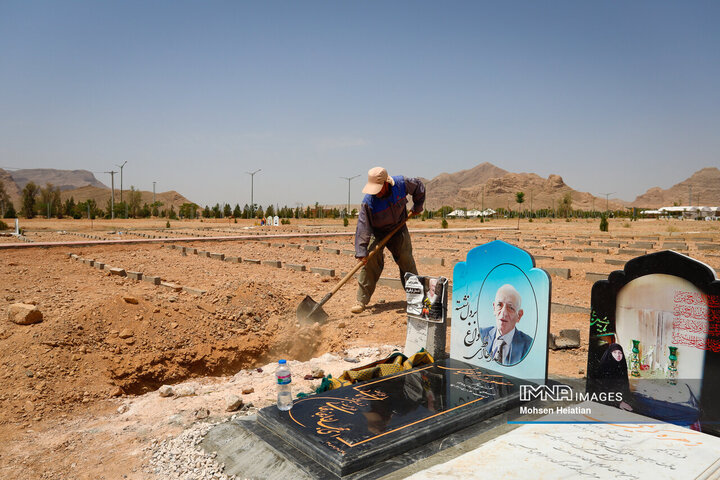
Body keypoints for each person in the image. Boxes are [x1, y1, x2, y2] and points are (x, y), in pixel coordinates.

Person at [351, 167, 425, 314]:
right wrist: (361, 250)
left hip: (398, 228)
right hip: (376, 232)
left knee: (406, 260)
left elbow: (419, 187)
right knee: (370, 262)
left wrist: (417, 206)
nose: (376, 192)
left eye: (378, 189)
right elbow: (362, 226)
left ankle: (417, 299)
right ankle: (361, 300)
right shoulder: (368, 202)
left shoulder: (402, 184)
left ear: (386, 183)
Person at [479, 284, 532, 365]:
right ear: (494, 308)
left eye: (510, 307)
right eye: (499, 305)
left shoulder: (528, 345)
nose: (503, 313)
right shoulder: (479, 334)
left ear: (519, 315)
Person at [596, 343, 633, 411]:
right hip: (607, 403)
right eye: (614, 352)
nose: (618, 355)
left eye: (620, 353)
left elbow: (624, 387)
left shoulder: (622, 366)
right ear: (610, 353)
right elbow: (602, 391)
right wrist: (618, 403)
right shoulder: (605, 368)